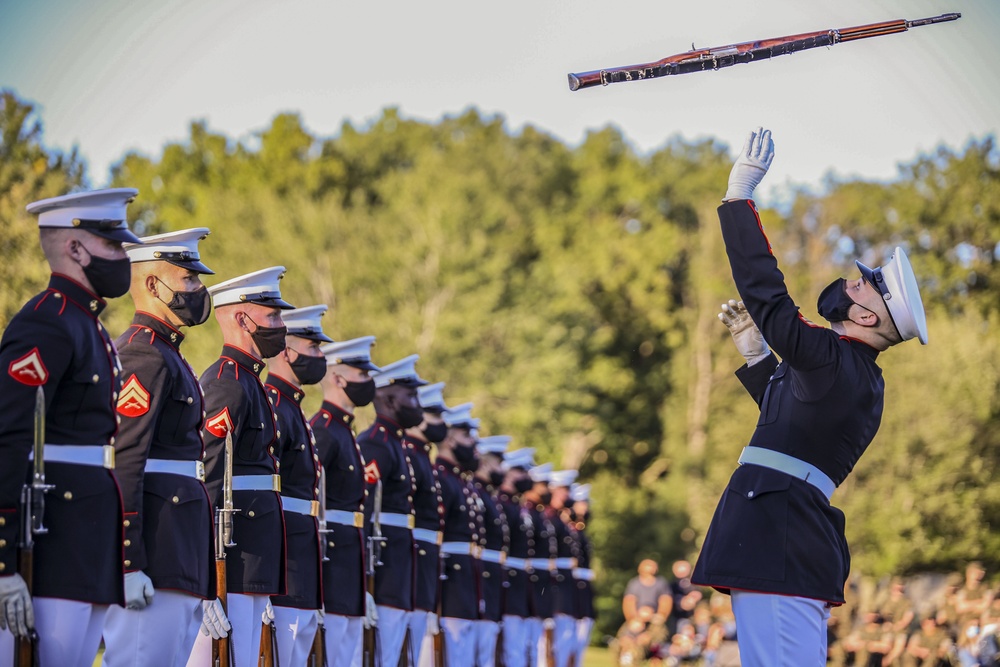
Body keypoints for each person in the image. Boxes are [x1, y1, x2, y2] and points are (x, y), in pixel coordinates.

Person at [690, 127, 929, 667]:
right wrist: (759, 361)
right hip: (782, 533)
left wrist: (738, 200)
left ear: (865, 318)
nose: (853, 280)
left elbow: (768, 298)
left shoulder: (835, 360)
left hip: (778, 535)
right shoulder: (856, 374)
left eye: (866, 285)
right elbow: (796, 426)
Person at [0, 189, 140, 666]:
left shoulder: (88, 324)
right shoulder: (48, 321)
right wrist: (3, 565)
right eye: (114, 246)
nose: (123, 257)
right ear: (75, 249)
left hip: (85, 538)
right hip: (51, 542)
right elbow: (10, 436)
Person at [102, 228, 230, 666]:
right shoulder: (143, 355)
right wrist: (129, 560)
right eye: (188, 280)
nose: (198, 290)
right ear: (153, 285)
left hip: (178, 550)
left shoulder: (169, 354)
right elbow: (126, 461)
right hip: (154, 553)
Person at [188, 266, 295, 667]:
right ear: (241, 318)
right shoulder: (227, 382)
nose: (280, 326)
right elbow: (211, 474)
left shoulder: (249, 381)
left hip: (253, 549)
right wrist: (206, 572)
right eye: (273, 317)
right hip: (230, 553)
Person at [265, 304, 334, 666]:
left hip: (302, 559)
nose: (321, 357)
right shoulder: (274, 404)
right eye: (314, 348)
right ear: (287, 351)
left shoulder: (294, 408)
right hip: (283, 563)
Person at [310, 335, 381, 667]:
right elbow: (311, 496)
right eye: (362, 375)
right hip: (332, 562)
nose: (368, 383)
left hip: (349, 561)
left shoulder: (345, 431)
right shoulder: (324, 430)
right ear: (338, 378)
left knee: (349, 654)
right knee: (334, 652)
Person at [360, 354, 427, 666]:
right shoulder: (375, 443)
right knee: (381, 652)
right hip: (383, 561)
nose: (416, 403)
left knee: (395, 649)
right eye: (409, 395)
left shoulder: (398, 445)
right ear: (386, 398)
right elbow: (365, 508)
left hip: (399, 559)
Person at [435, 402, 486, 667]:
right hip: (452, 576)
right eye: (467, 437)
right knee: (452, 647)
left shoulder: (460, 481)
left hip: (466, 574)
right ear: (450, 438)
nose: (472, 444)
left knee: (465, 648)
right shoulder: (441, 477)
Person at [404, 380, 448, 667]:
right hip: (409, 563)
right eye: (434, 415)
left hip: (424, 565)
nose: (439, 423)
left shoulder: (423, 458)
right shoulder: (407, 454)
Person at [471, 435, 512, 667]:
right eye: (497, 463)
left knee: (487, 648)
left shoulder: (489, 496)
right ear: (485, 463)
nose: (501, 470)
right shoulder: (477, 493)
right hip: (481, 575)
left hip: (491, 576)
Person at [497, 447, 538, 667]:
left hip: (520, 582)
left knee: (519, 646)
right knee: (509, 647)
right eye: (521, 472)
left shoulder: (516, 506)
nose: (526, 478)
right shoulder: (502, 504)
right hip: (508, 581)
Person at [546, 469, 580, 667]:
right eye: (562, 491)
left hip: (565, 581)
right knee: (550, 636)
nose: (566, 496)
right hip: (553, 581)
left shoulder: (560, 520)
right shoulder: (549, 519)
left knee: (565, 633)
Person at [569, 482, 597, 667]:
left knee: (581, 635)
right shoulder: (569, 532)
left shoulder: (580, 531)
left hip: (582, 588)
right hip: (571, 589)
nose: (585, 507)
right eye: (581, 503)